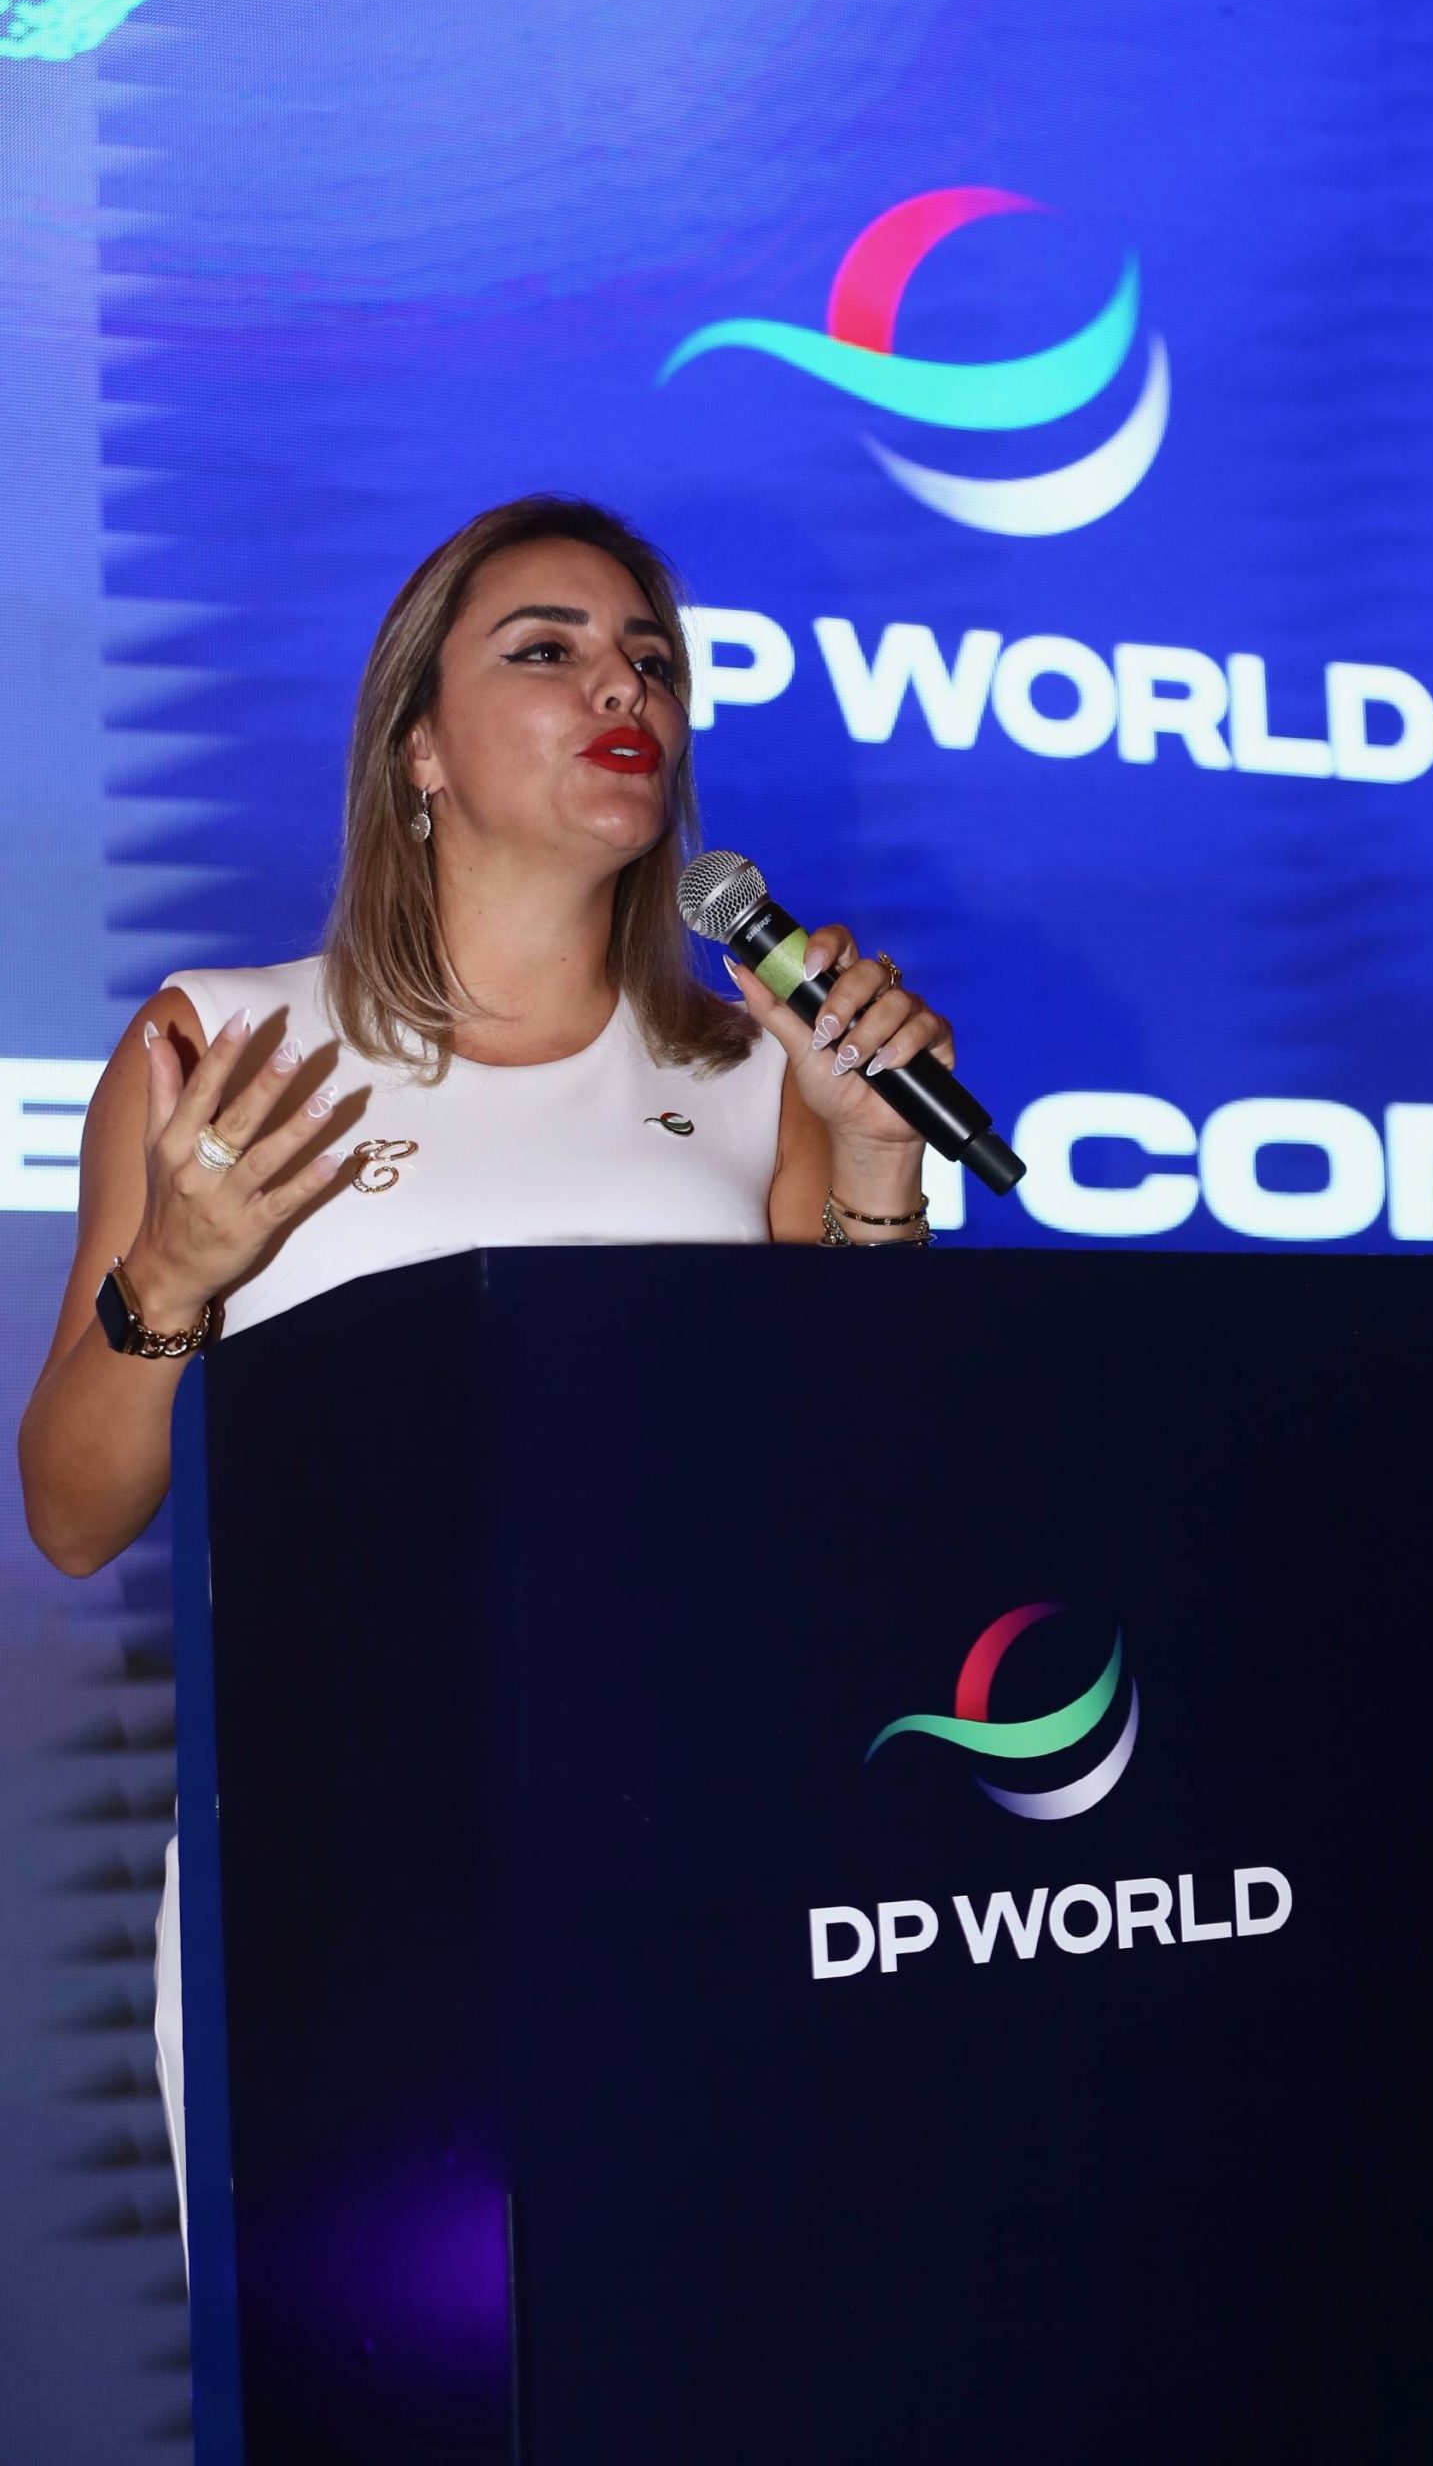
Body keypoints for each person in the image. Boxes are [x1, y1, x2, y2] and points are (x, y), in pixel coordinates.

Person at [16, 492, 955, 2259]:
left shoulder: (760, 1075)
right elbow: (72, 1517)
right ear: (421, 750)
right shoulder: (226, 1042)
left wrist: (878, 1159)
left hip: (711, 1840)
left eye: (652, 661)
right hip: (336, 1858)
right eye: (549, 649)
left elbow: (876, 1471)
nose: (625, 687)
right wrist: (175, 1277)